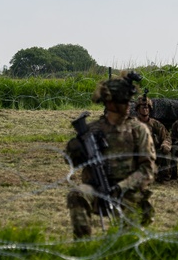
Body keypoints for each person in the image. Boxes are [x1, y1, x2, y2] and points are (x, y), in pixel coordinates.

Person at [65, 72, 155, 238]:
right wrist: (75, 148)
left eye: (129, 100)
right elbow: (71, 161)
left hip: (128, 192)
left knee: (128, 237)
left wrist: (122, 187)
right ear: (111, 103)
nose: (128, 105)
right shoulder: (93, 130)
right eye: (123, 101)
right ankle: (82, 245)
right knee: (77, 194)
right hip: (97, 189)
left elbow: (147, 170)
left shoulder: (138, 130)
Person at [134, 92, 173, 183]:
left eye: (147, 107)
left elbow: (167, 137)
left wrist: (165, 144)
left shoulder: (155, 124)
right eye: (142, 107)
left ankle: (163, 177)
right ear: (137, 109)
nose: (145, 109)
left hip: (154, 153)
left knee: (167, 153)